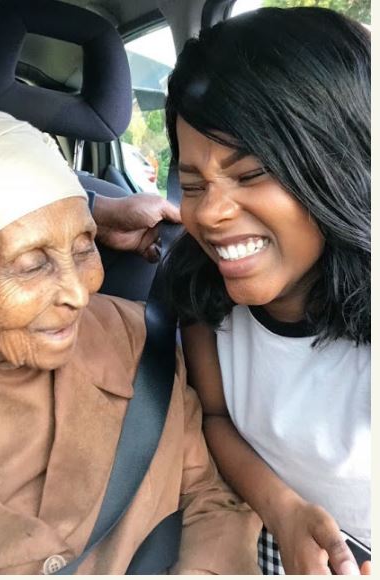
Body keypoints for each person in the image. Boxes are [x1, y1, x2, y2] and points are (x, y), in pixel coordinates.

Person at [0, 106, 263, 575]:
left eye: (84, 247)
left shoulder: (137, 341)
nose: (78, 292)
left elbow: (212, 497)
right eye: (31, 265)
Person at [164, 6, 370, 576]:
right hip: (264, 523)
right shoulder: (201, 293)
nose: (210, 212)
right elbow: (215, 417)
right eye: (191, 184)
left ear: (340, 166)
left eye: (251, 174)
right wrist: (282, 510)